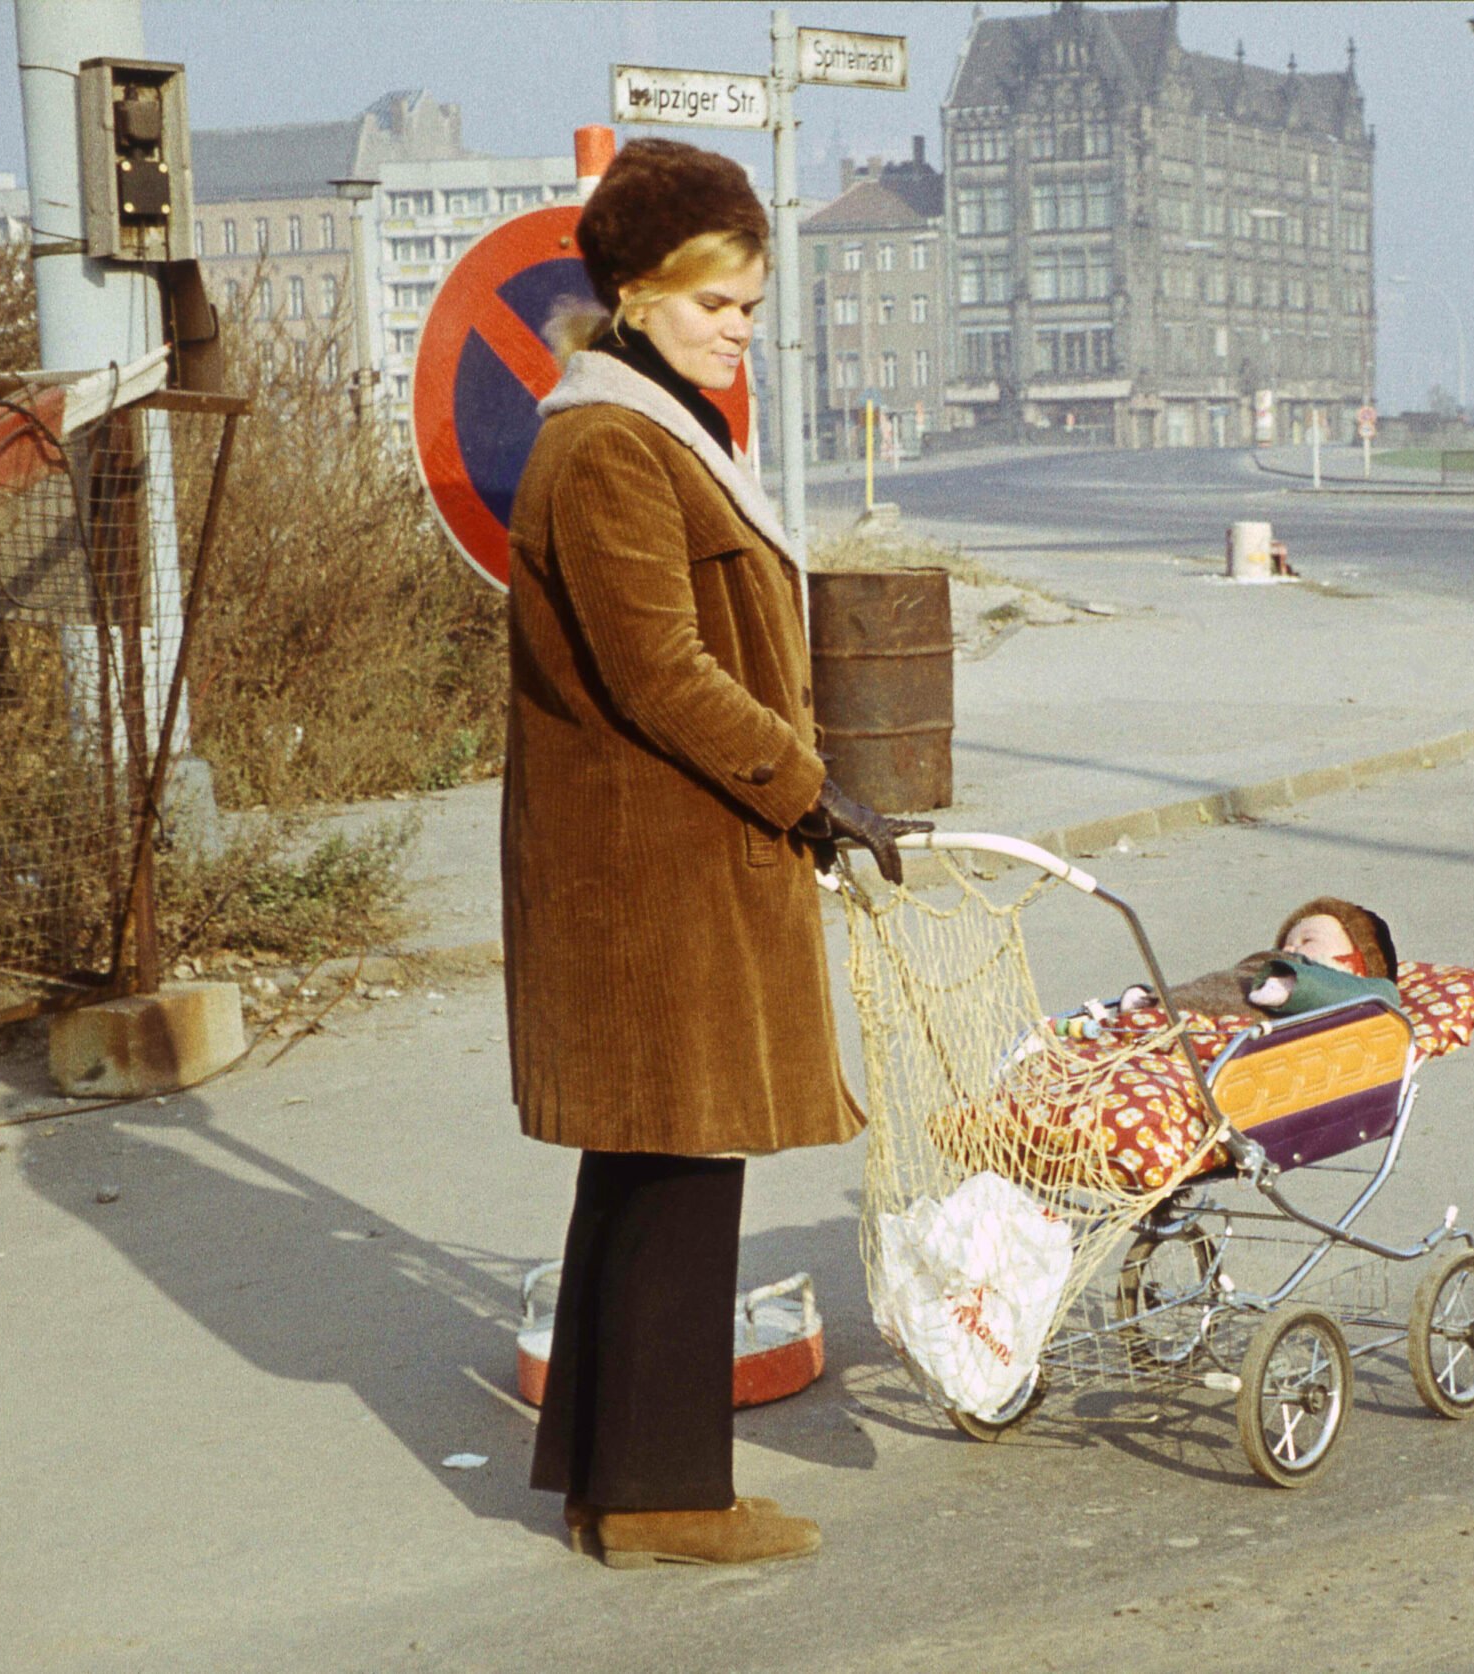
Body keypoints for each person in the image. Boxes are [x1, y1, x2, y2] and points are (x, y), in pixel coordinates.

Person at [502, 137, 926, 1570]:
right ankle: (666, 1495)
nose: (740, 328)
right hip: (653, 872)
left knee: (643, 1170)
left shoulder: (648, 424)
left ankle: (610, 1480)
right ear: (631, 293)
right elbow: (664, 670)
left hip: (658, 857)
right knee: (680, 1174)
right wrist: (811, 787)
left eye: (749, 303)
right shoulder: (613, 443)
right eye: (713, 304)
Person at [1120, 896, 1403, 1020]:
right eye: (1287, 942)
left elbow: (1384, 993)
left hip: (1223, 1028)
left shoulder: (1361, 990)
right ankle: (1151, 1002)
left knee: (1219, 1004)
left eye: (1308, 940)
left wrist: (1298, 986)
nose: (1290, 949)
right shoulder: (1269, 964)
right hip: (1196, 1008)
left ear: (1353, 965)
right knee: (1211, 988)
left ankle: (1153, 1010)